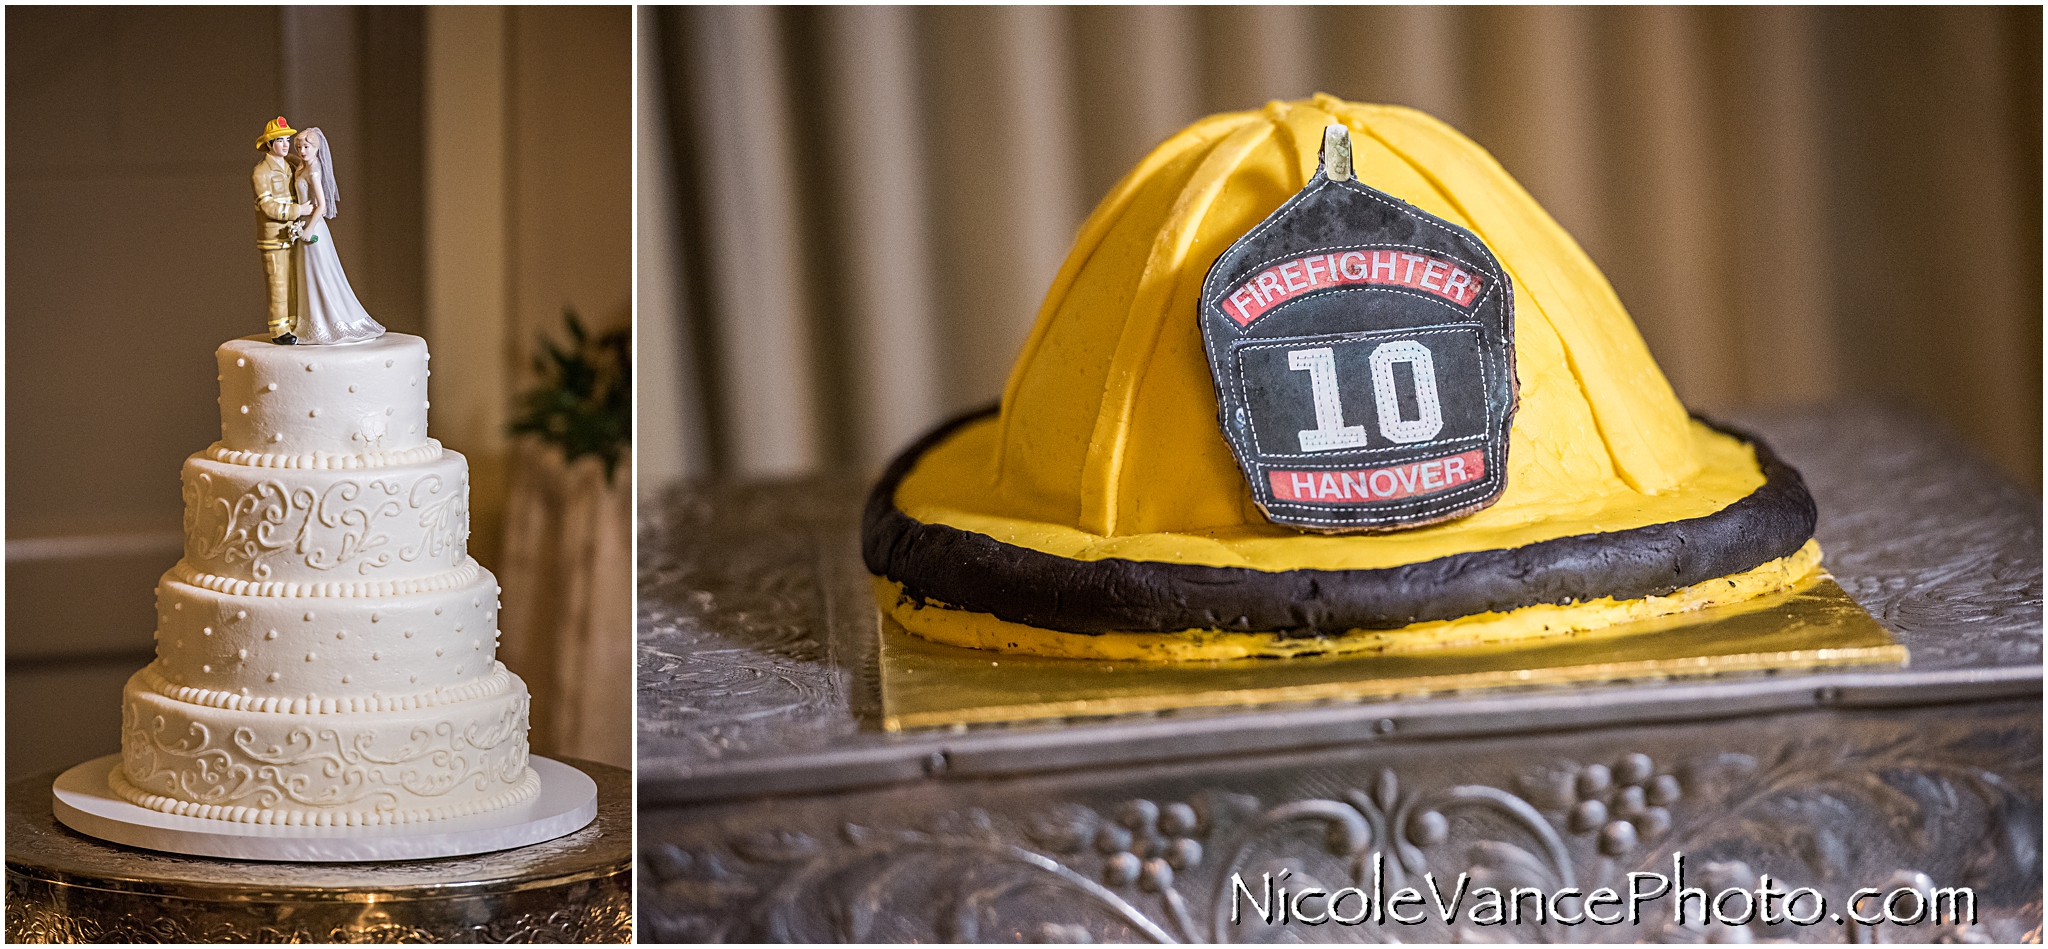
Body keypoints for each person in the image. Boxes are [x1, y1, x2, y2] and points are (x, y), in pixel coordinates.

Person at [288, 127, 386, 345]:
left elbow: (321, 205)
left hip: (313, 228)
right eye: (299, 147)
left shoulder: (314, 169)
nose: (302, 151)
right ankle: (310, 321)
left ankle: (328, 322)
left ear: (317, 148)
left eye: (307, 147)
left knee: (320, 274)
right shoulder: (303, 164)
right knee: (307, 275)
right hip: (303, 225)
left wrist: (309, 229)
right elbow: (293, 160)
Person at [252, 116, 312, 345]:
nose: (285, 144)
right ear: (269, 145)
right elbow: (268, 206)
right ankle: (279, 330)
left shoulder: (290, 165)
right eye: (280, 140)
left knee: (294, 284)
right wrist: (299, 209)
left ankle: (294, 324)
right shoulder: (261, 173)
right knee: (278, 285)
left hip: (293, 235)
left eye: (287, 139)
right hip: (274, 239)